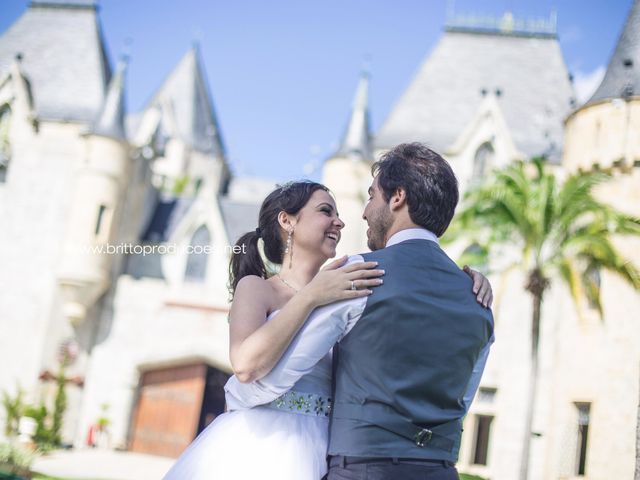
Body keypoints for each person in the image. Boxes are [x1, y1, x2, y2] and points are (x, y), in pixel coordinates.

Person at [163, 175, 492, 479]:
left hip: (331, 446)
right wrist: (310, 297)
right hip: (267, 442)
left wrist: (463, 283)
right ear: (287, 220)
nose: (340, 220)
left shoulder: (349, 283)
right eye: (325, 210)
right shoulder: (258, 287)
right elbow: (245, 364)